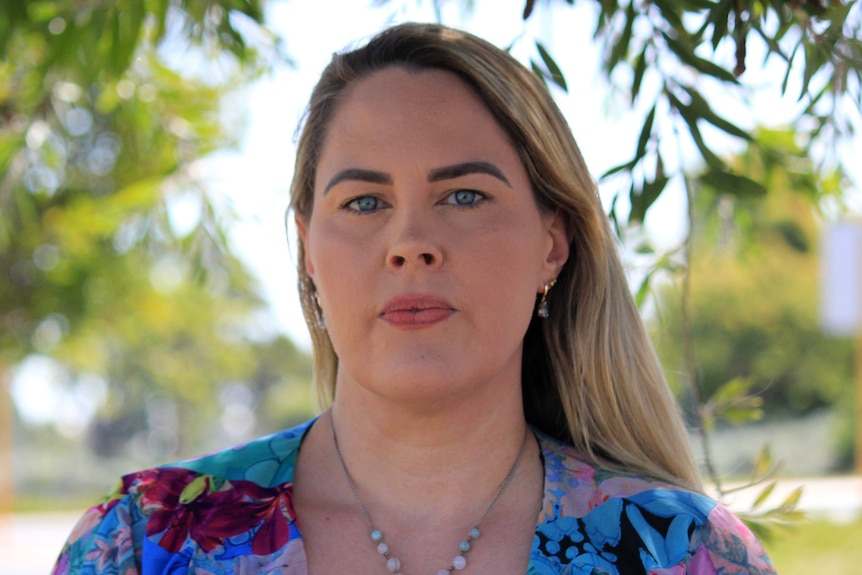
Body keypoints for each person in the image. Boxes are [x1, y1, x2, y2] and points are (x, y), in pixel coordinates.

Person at [52, 22, 777, 575]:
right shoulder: (144, 546)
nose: (410, 242)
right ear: (308, 251)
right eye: (364, 202)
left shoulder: (681, 552)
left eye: (464, 195)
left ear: (551, 244)